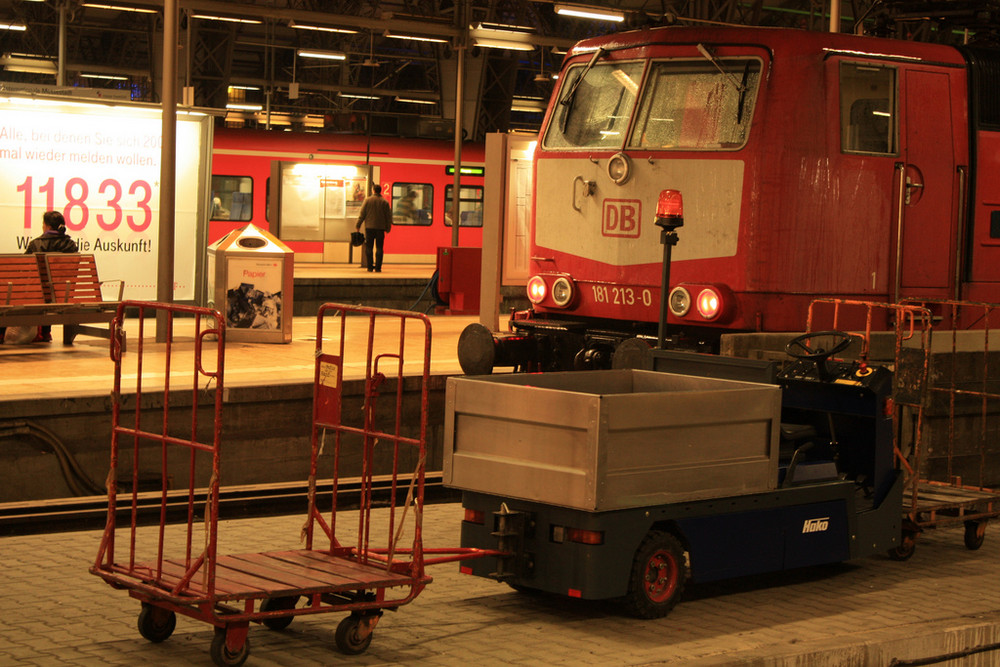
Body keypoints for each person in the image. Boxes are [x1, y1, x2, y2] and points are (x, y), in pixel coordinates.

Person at [20, 210, 78, 343]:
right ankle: (46, 332)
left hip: (39, 294)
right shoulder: (71, 245)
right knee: (52, 291)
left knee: (39, 289)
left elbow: (24, 269)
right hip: (63, 293)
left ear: (47, 226)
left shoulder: (36, 244)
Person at [355, 183, 392, 273]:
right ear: (380, 191)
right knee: (379, 248)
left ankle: (370, 267)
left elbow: (362, 214)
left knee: (369, 248)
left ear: (373, 190)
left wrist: (358, 225)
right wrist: (388, 228)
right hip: (380, 228)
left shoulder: (367, 200)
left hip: (369, 228)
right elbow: (388, 216)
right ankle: (378, 268)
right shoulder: (384, 202)